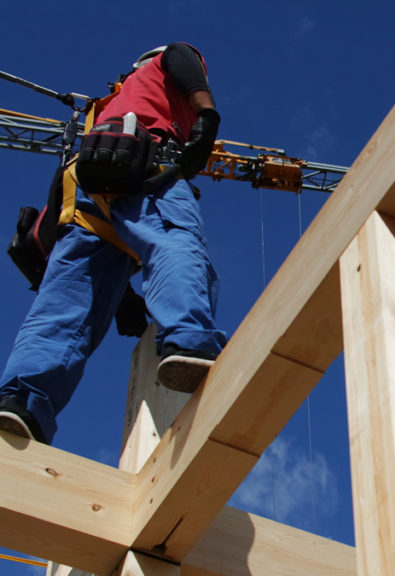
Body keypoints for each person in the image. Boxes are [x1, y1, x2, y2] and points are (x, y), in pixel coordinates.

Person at [0, 43, 227, 444]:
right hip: (145, 164)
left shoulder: (108, 103)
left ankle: (20, 401)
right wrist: (207, 115)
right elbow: (186, 64)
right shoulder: (169, 59)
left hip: (85, 191)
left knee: (65, 304)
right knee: (174, 241)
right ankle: (189, 340)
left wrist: (123, 298)